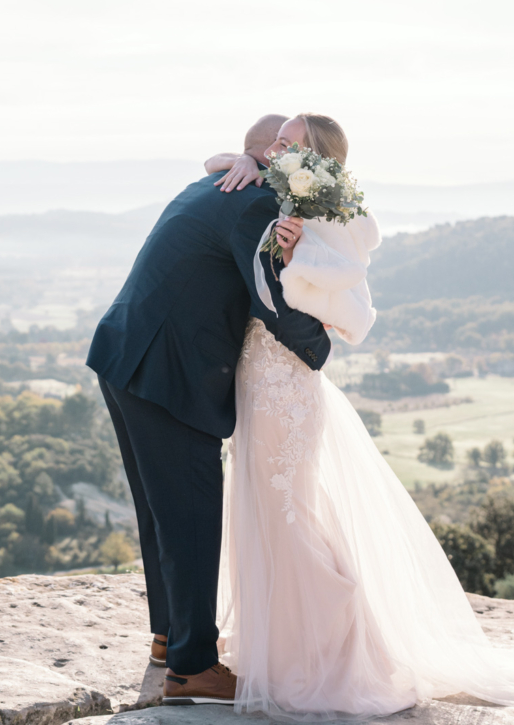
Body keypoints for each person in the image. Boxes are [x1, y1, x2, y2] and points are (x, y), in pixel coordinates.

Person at [207, 114, 514, 720]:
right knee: (272, 508)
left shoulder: (323, 212)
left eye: (287, 143)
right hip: (262, 376)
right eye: (273, 141)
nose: (274, 147)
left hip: (283, 380)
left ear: (316, 158)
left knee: (287, 510)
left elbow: (325, 290)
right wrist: (244, 161)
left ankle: (333, 640)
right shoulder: (283, 190)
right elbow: (218, 163)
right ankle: (281, 642)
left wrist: (292, 254)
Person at [86, 113, 331, 705]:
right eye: (277, 148)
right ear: (264, 156)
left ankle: (171, 637)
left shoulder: (212, 186)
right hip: (168, 371)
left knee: (162, 511)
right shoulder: (251, 204)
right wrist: (322, 341)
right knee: (191, 514)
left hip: (125, 354)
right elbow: (267, 293)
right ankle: (194, 668)